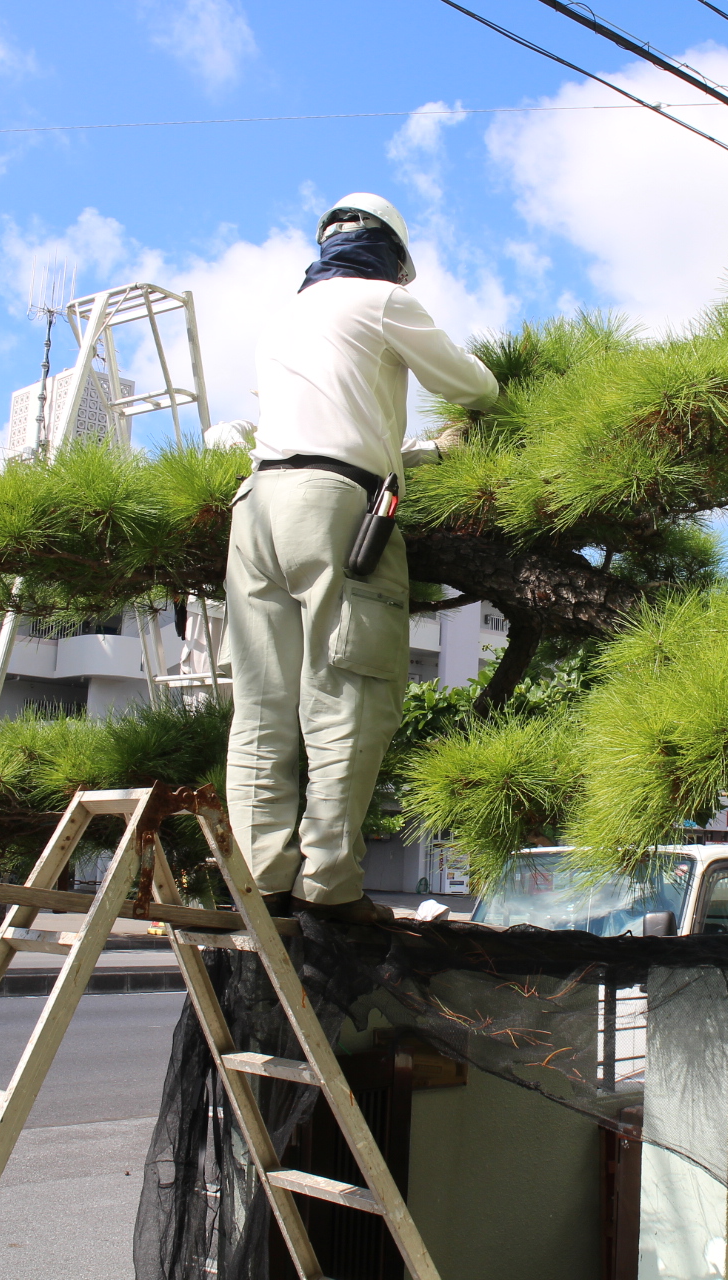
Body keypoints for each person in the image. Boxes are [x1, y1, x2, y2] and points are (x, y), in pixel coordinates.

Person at [226, 193, 497, 924]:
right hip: (340, 511)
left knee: (262, 704)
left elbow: (327, 421)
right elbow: (473, 385)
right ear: (390, 255)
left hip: (255, 507)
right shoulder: (380, 301)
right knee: (348, 690)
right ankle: (329, 888)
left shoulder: (284, 317)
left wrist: (416, 455)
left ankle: (263, 884)